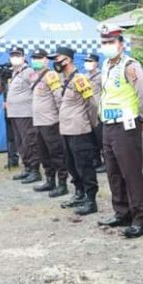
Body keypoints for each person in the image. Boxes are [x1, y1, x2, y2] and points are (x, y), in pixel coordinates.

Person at [96, 25, 143, 238]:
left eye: (111, 42)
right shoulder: (106, 65)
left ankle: (140, 219)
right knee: (113, 172)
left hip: (126, 126)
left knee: (131, 173)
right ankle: (122, 212)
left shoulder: (130, 66)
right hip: (108, 126)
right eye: (104, 42)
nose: (107, 46)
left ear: (121, 44)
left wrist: (141, 119)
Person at [49, 46, 100, 215]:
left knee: (84, 165)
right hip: (66, 130)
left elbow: (92, 104)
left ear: (68, 60)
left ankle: (91, 200)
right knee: (71, 165)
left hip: (80, 130)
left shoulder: (80, 80)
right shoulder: (63, 79)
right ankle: (79, 193)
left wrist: (91, 124)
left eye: (58, 59)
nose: (55, 63)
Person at [29, 48, 68, 198]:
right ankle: (50, 180)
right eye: (34, 58)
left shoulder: (50, 75)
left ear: (46, 60)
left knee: (56, 153)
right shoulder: (35, 76)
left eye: (39, 58)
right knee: (43, 153)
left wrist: (61, 118)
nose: (36, 60)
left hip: (50, 122)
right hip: (39, 122)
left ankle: (62, 184)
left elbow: (58, 97)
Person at [6, 46, 42, 184]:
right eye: (13, 55)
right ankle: (27, 167)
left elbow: (37, 89)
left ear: (23, 57)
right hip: (14, 113)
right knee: (20, 142)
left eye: (18, 55)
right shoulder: (15, 72)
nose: (15, 58)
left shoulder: (29, 72)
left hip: (25, 113)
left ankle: (34, 170)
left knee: (29, 141)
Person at [84, 53, 105, 173]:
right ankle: (95, 160)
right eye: (86, 60)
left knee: (101, 138)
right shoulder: (84, 77)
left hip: (98, 111)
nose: (88, 63)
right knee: (91, 139)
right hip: (88, 111)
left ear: (96, 63)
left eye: (90, 61)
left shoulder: (101, 76)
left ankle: (106, 162)